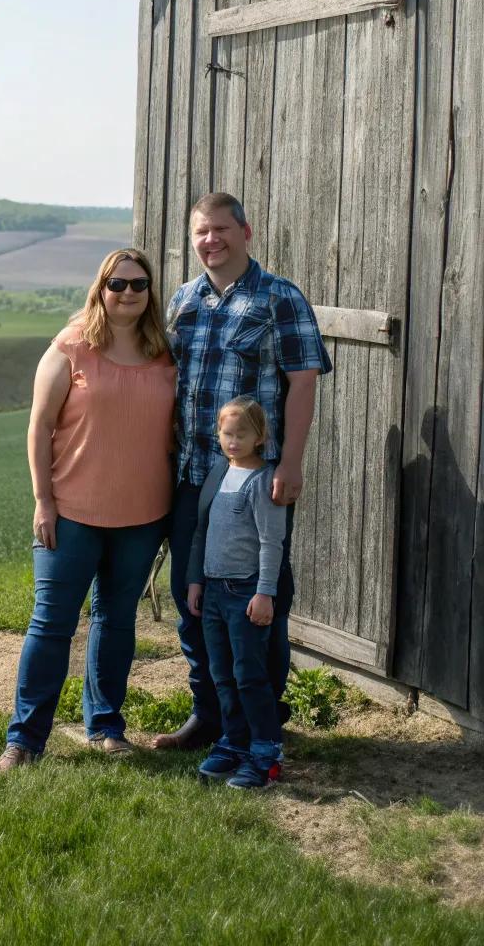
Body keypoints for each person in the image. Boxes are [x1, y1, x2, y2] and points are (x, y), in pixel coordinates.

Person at [155, 192, 331, 754]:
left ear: (245, 232)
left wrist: (292, 463)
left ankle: (263, 716)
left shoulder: (279, 298)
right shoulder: (184, 302)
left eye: (222, 230)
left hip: (254, 481)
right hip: (192, 476)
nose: (211, 240)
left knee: (261, 596)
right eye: (202, 232)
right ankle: (209, 713)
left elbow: (303, 382)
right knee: (193, 596)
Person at [0, 248, 177, 770]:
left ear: (150, 293)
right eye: (117, 284)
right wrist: (43, 501)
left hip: (142, 516)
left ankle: (104, 727)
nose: (128, 294)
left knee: (116, 621)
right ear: (100, 288)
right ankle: (24, 742)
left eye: (139, 285)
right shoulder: (71, 346)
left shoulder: (164, 351)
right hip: (70, 513)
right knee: (51, 624)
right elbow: (39, 426)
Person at [187, 398, 286, 789]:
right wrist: (197, 581)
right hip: (213, 591)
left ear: (260, 436)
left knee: (249, 675)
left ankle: (265, 752)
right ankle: (234, 741)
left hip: (246, 592)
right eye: (227, 434)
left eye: (241, 434)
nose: (233, 441)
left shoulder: (263, 481)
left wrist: (264, 593)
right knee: (222, 674)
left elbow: (271, 542)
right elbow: (201, 532)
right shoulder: (217, 474)